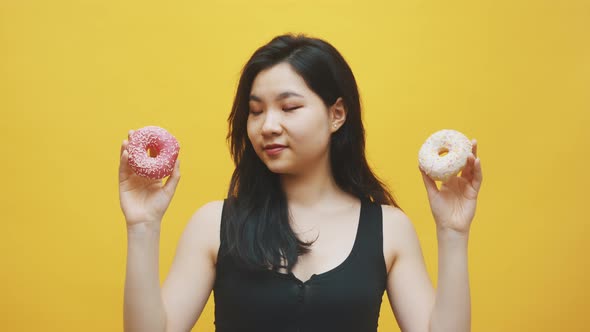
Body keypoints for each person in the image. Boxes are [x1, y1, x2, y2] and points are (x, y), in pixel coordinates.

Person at [119, 34, 483, 332]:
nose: (268, 126)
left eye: (289, 108)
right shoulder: (213, 224)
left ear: (337, 115)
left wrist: (453, 232)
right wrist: (143, 226)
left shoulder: (389, 229)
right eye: (256, 111)